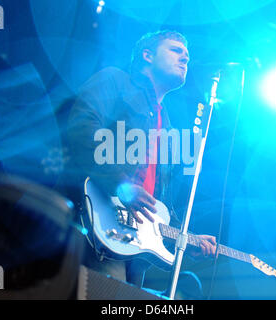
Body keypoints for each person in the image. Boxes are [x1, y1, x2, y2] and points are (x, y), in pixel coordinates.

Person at [61, 30, 217, 290]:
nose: (185, 58)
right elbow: (82, 128)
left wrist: (186, 239)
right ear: (147, 55)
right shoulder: (115, 80)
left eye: (187, 55)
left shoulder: (166, 124)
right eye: (176, 50)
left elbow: (157, 199)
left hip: (136, 243)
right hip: (98, 222)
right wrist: (120, 184)